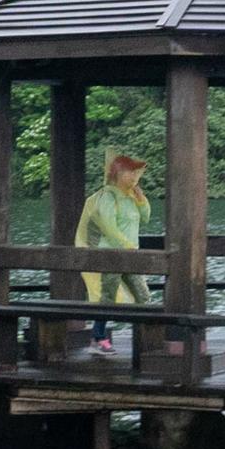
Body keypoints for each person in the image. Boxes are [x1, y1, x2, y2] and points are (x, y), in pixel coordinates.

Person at [77, 150, 151, 358]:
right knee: (108, 298)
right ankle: (98, 338)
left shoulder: (129, 196)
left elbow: (145, 218)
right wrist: (125, 244)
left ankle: (146, 341)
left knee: (143, 296)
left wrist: (141, 199)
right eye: (130, 173)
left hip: (130, 255)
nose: (134, 177)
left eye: (135, 173)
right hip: (110, 254)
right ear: (118, 174)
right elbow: (107, 225)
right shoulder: (107, 196)